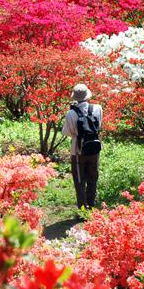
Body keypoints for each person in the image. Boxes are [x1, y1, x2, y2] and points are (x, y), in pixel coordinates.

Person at [62, 84, 102, 212]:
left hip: (78, 150)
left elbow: (67, 132)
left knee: (79, 179)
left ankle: (83, 209)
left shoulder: (71, 113)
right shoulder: (97, 108)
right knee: (93, 176)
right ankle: (91, 204)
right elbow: (99, 125)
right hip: (94, 148)